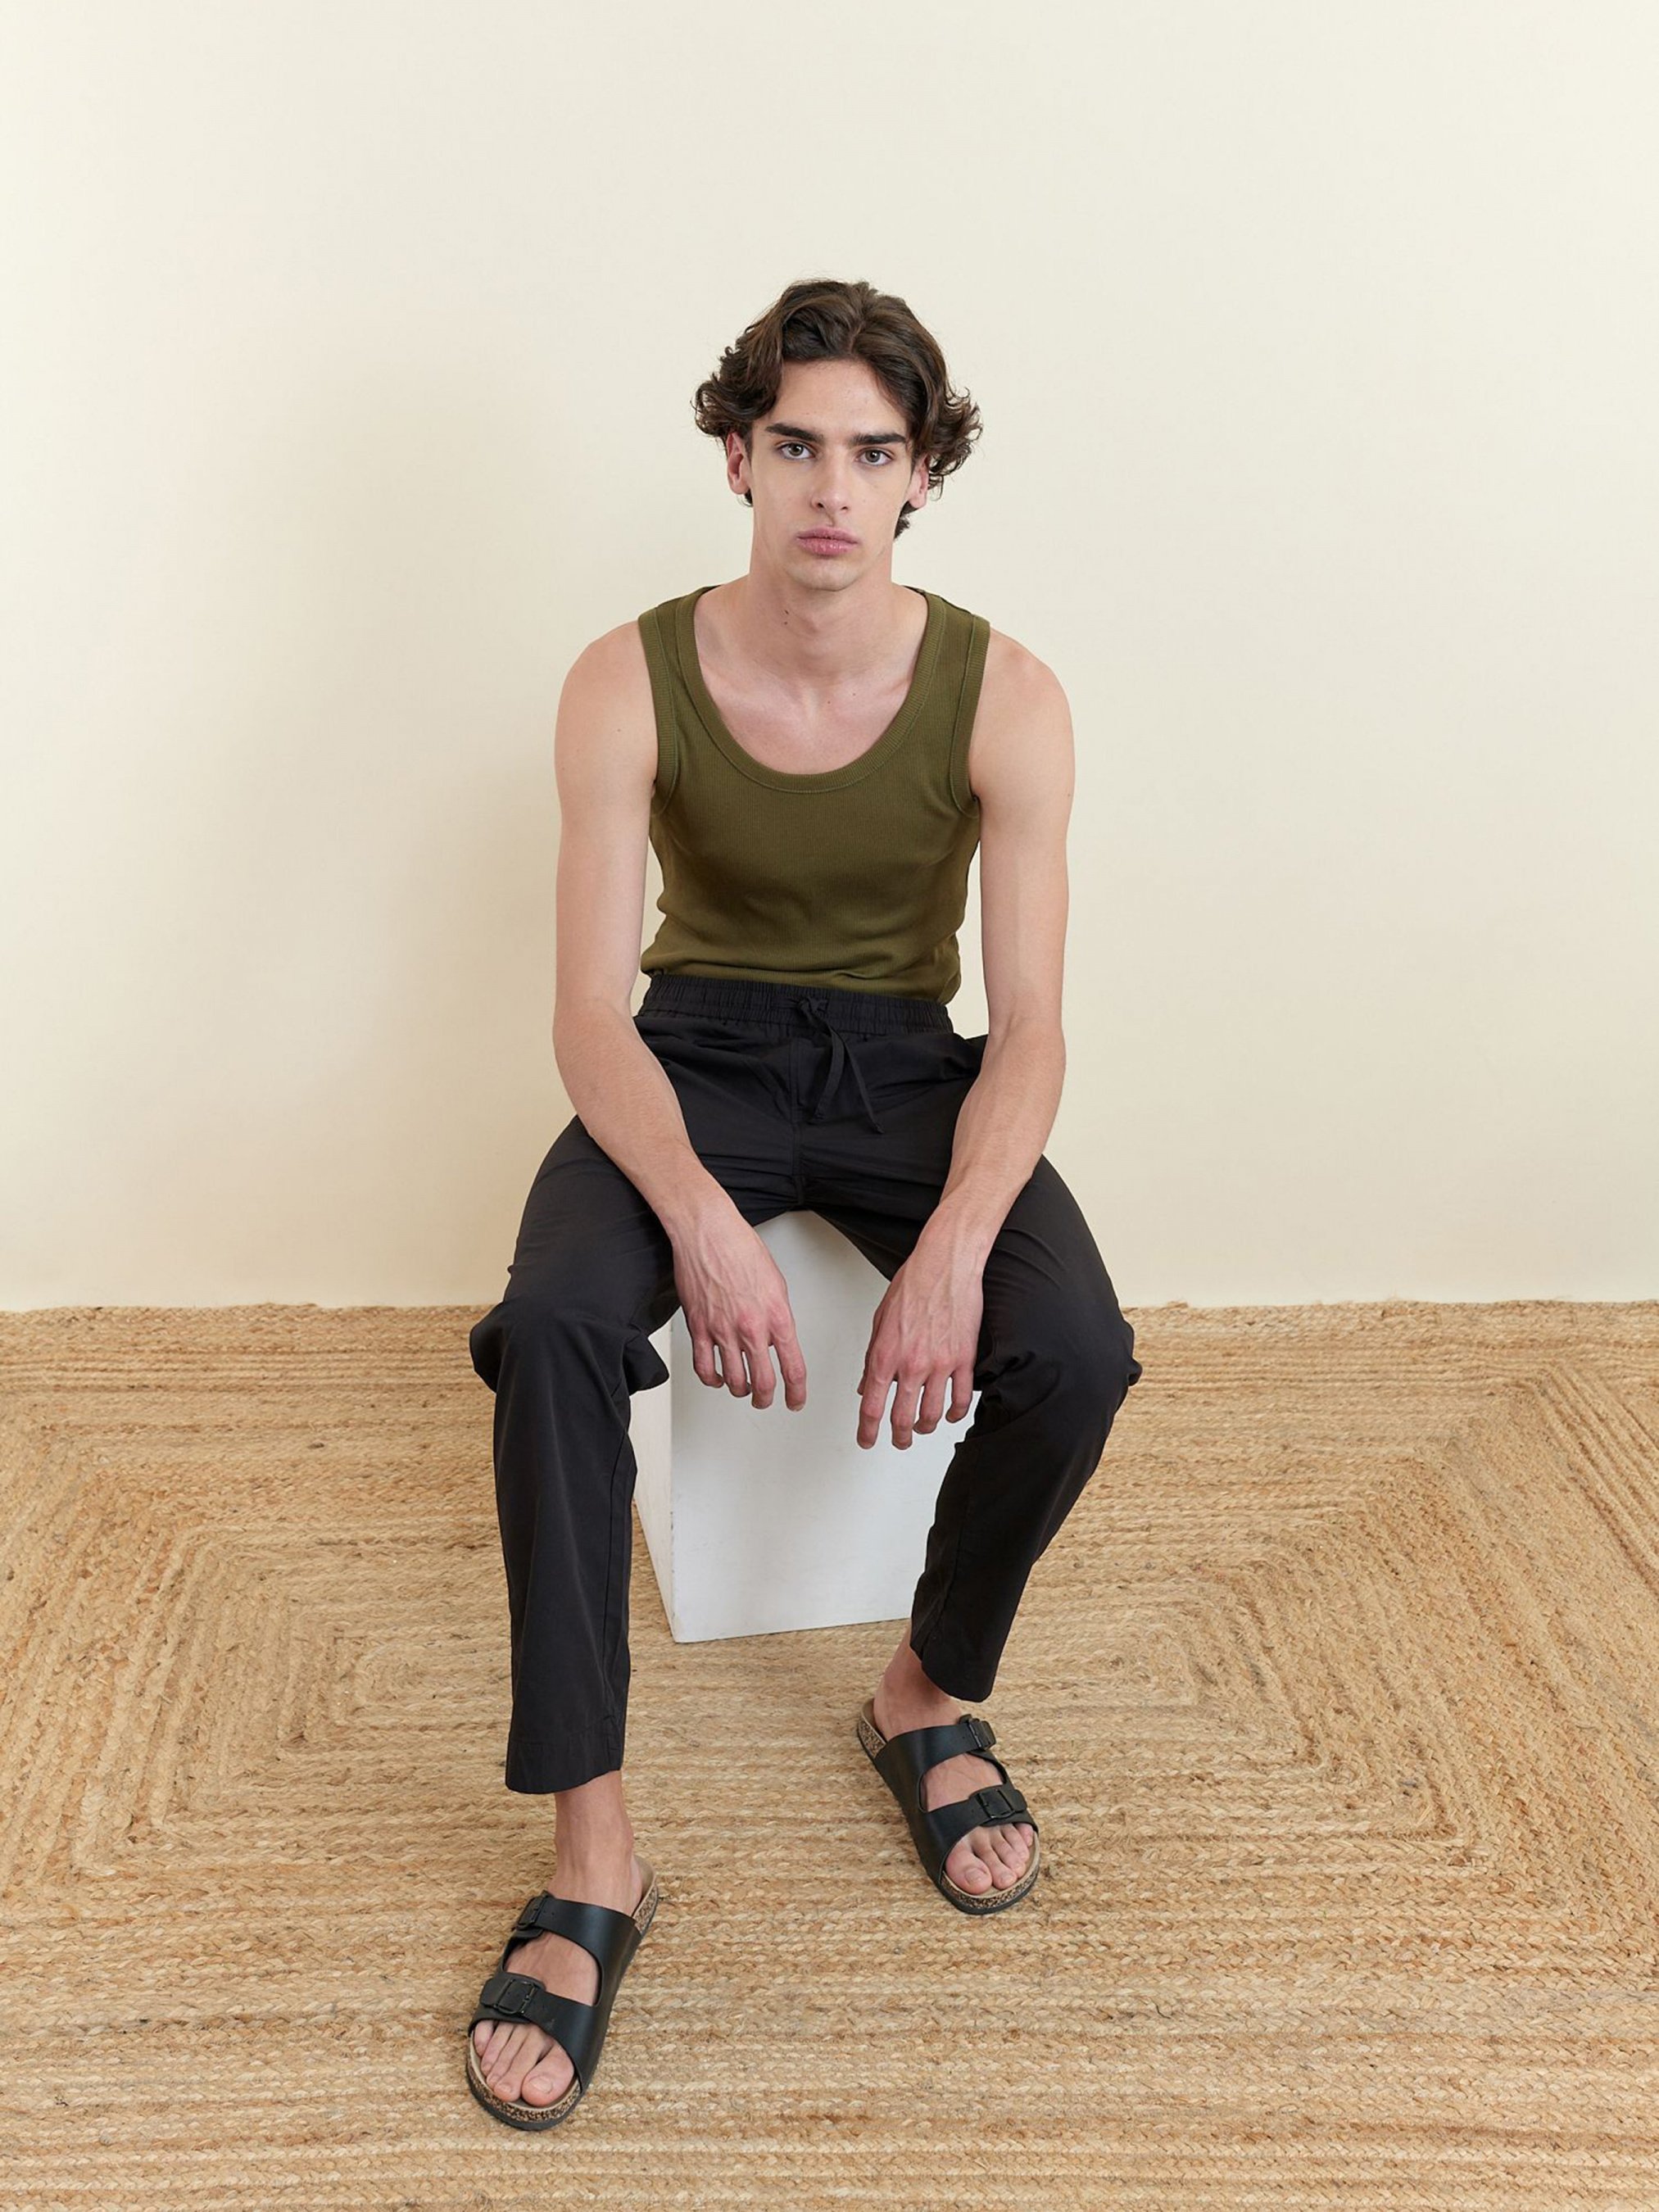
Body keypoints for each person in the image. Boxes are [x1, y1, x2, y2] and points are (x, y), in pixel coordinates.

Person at [463, 276, 1143, 2128]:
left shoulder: (1009, 697)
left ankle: (924, 1692)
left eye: (870, 451)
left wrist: (952, 1246)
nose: (831, 488)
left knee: (1078, 1347)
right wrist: (695, 1216)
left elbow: (1031, 1029)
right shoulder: (626, 677)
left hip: (909, 1069)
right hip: (689, 1055)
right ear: (736, 458)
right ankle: (593, 1851)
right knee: (556, 1326)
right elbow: (586, 1016)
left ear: (921, 474)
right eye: (794, 445)